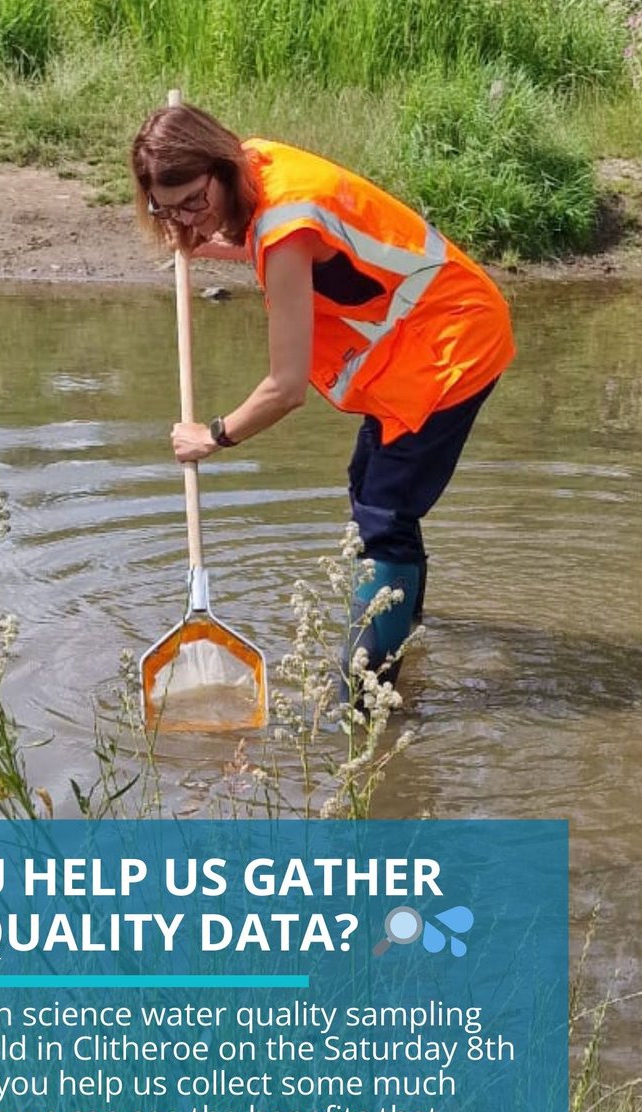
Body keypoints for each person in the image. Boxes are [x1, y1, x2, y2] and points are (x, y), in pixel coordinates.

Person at [130, 102, 515, 683]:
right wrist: (201, 241)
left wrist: (212, 436)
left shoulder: (286, 227)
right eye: (169, 208)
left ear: (220, 168)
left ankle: (365, 693)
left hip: (452, 345)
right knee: (370, 485)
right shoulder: (258, 164)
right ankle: (404, 633)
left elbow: (285, 389)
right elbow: (276, 244)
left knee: (385, 513)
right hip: (416, 346)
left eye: (194, 201)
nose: (186, 217)